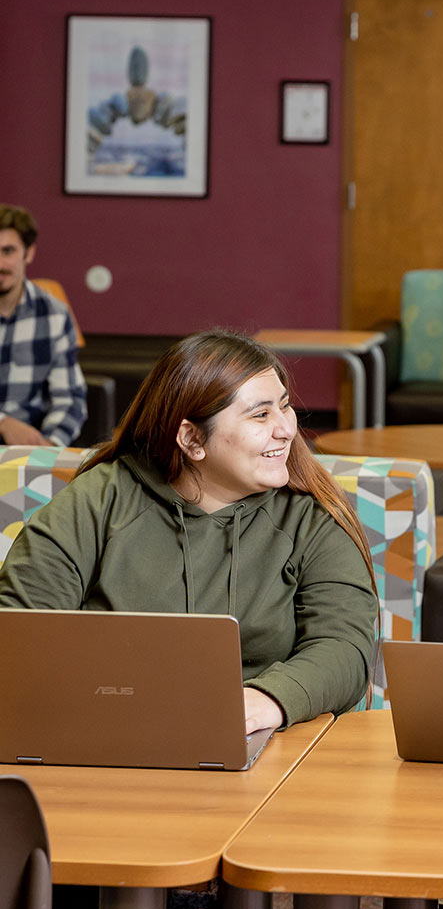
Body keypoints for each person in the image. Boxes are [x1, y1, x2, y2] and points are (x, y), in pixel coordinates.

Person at [0, 328, 379, 732]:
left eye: (284, 407)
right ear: (191, 438)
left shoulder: (313, 515)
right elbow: (19, 630)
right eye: (260, 414)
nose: (286, 428)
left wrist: (264, 702)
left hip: (262, 741)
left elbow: (344, 648)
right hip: (106, 731)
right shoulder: (97, 499)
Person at [0, 204, 87, 445]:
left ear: (28, 253)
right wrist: (3, 423)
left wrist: (48, 448)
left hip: (27, 451)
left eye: (7, 251)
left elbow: (69, 399)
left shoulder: (54, 315)